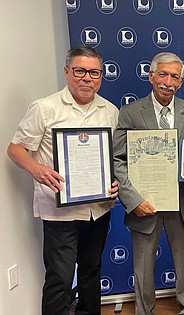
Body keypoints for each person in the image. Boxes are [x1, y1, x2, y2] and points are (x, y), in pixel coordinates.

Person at [7, 45, 119, 315]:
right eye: (80, 71)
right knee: (60, 276)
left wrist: (114, 183)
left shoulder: (110, 111)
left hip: (98, 208)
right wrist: (37, 169)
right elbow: (15, 148)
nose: (87, 78)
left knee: (91, 271)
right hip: (59, 212)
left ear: (101, 76)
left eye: (94, 72)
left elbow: (112, 158)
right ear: (67, 71)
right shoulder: (45, 108)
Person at [113, 52, 184, 315]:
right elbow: (118, 159)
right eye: (162, 74)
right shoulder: (130, 113)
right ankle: (144, 311)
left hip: (181, 202)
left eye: (175, 76)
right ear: (151, 76)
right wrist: (133, 200)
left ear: (181, 82)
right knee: (142, 266)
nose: (168, 81)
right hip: (144, 203)